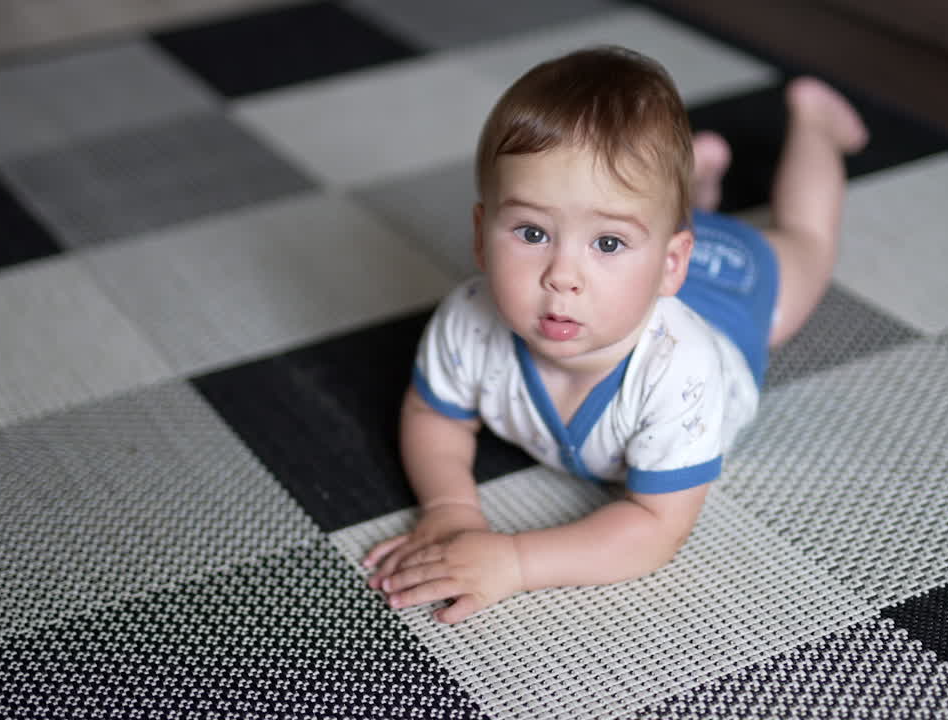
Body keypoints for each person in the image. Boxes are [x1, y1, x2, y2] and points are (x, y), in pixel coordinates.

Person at [362, 46, 868, 624]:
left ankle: (815, 126)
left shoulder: (683, 370)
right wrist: (450, 508)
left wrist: (516, 560)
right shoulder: (466, 320)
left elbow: (656, 526)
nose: (562, 276)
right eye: (531, 232)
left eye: (606, 244)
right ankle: (687, 189)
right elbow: (434, 416)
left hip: (725, 296)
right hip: (655, 251)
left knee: (803, 246)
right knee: (636, 205)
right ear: (481, 234)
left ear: (672, 263)